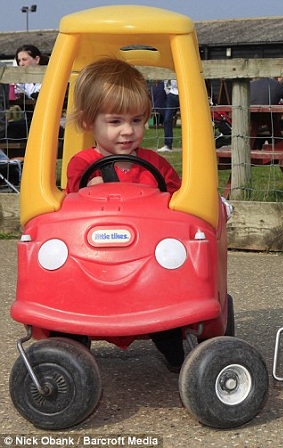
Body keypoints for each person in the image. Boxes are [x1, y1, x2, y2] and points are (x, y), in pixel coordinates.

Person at [64, 58, 185, 371]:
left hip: (148, 266)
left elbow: (182, 201)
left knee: (171, 306)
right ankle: (70, 355)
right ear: (89, 122)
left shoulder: (157, 165)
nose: (128, 131)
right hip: (97, 258)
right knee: (66, 308)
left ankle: (180, 355)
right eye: (115, 121)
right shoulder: (82, 165)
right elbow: (86, 199)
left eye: (137, 120)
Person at [250, 77, 283, 149]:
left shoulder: (251, 84)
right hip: (269, 122)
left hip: (250, 122)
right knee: (282, 118)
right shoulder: (276, 85)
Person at [157, 79, 179, 152]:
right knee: (167, 119)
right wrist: (167, 91)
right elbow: (165, 79)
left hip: (187, 93)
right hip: (172, 95)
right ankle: (168, 145)